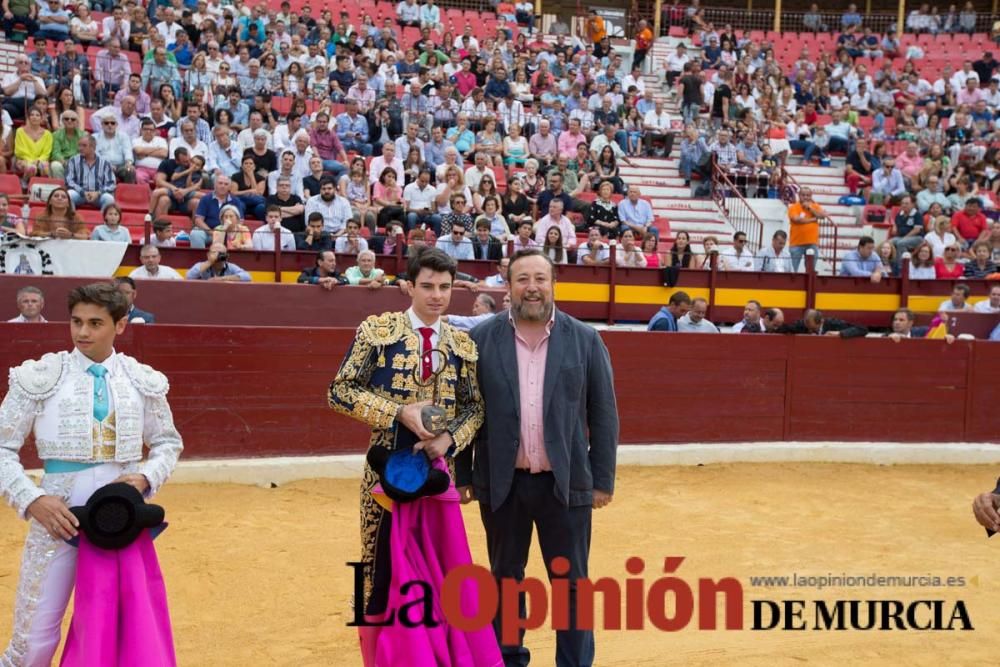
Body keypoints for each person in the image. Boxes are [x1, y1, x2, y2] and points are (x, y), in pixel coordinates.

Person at [328, 247, 498, 666]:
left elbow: (476, 408)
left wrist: (449, 442)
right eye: (427, 286)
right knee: (378, 569)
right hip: (385, 471)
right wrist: (398, 412)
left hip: (440, 475)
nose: (437, 296)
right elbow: (339, 391)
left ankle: (438, 656)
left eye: (444, 287)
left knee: (443, 565)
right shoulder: (377, 331)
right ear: (408, 286)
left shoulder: (462, 345)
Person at [0, 282, 182, 666]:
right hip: (57, 517)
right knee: (35, 634)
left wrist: (146, 477)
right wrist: (32, 499)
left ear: (120, 325)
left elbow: (167, 442)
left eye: (95, 323)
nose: (82, 332)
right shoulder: (41, 376)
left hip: (121, 521)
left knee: (118, 626)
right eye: (77, 321)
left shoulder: (141, 379)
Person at [454, 249, 618, 667]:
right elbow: (465, 409)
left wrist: (601, 480)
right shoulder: (480, 340)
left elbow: (603, 413)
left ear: (553, 284)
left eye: (540, 279)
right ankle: (508, 660)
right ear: (508, 287)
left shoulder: (585, 339)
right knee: (505, 580)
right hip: (502, 481)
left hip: (565, 485)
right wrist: (463, 473)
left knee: (571, 584)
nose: (532, 287)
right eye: (522, 278)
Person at [777, 309, 869, 338]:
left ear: (821, 322)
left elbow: (863, 329)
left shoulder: (832, 324)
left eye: (812, 327)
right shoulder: (802, 325)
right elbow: (783, 328)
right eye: (806, 324)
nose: (808, 329)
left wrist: (840, 333)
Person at [185, 243, 252, 282]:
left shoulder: (231, 267)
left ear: (226, 256)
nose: (218, 255)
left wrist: (222, 279)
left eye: (221, 253)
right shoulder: (201, 266)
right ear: (208, 255)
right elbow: (189, 276)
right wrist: (210, 261)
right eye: (214, 252)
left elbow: (247, 277)